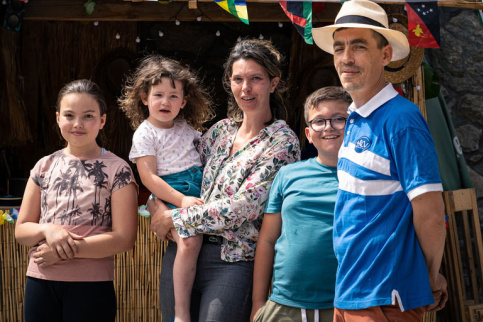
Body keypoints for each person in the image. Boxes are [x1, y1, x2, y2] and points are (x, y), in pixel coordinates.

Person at [311, 0, 447, 321]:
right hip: (350, 293)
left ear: (385, 55)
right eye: (339, 47)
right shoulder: (356, 117)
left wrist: (428, 274)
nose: (346, 57)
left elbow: (430, 212)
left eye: (359, 47)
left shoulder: (402, 120)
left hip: (386, 298)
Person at [148, 39, 300, 322]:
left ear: (273, 83)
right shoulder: (219, 132)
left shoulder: (282, 141)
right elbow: (179, 174)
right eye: (238, 79)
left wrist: (175, 219)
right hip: (182, 250)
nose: (246, 88)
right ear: (229, 82)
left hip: (232, 262)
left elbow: (244, 207)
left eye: (256, 79)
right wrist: (156, 204)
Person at [15, 79, 138, 322]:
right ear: (58, 118)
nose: (78, 124)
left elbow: (124, 239)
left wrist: (63, 252)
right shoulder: (44, 166)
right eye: (69, 115)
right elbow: (21, 230)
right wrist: (48, 230)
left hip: (91, 287)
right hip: (40, 283)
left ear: (102, 120)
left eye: (88, 116)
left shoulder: (118, 169)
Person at [119, 55, 214, 322]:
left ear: (184, 102)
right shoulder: (145, 133)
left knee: (196, 239)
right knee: (189, 240)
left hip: (197, 186)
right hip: (171, 188)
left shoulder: (188, 128)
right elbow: (148, 178)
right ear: (144, 97)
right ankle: (181, 312)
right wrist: (181, 200)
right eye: (158, 94)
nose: (165, 102)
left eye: (174, 96)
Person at [251, 87, 352, 322]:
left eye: (339, 119)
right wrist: (258, 303)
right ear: (308, 133)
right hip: (284, 305)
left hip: (344, 305)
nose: (328, 127)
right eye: (319, 121)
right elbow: (267, 240)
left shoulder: (366, 178)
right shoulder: (287, 175)